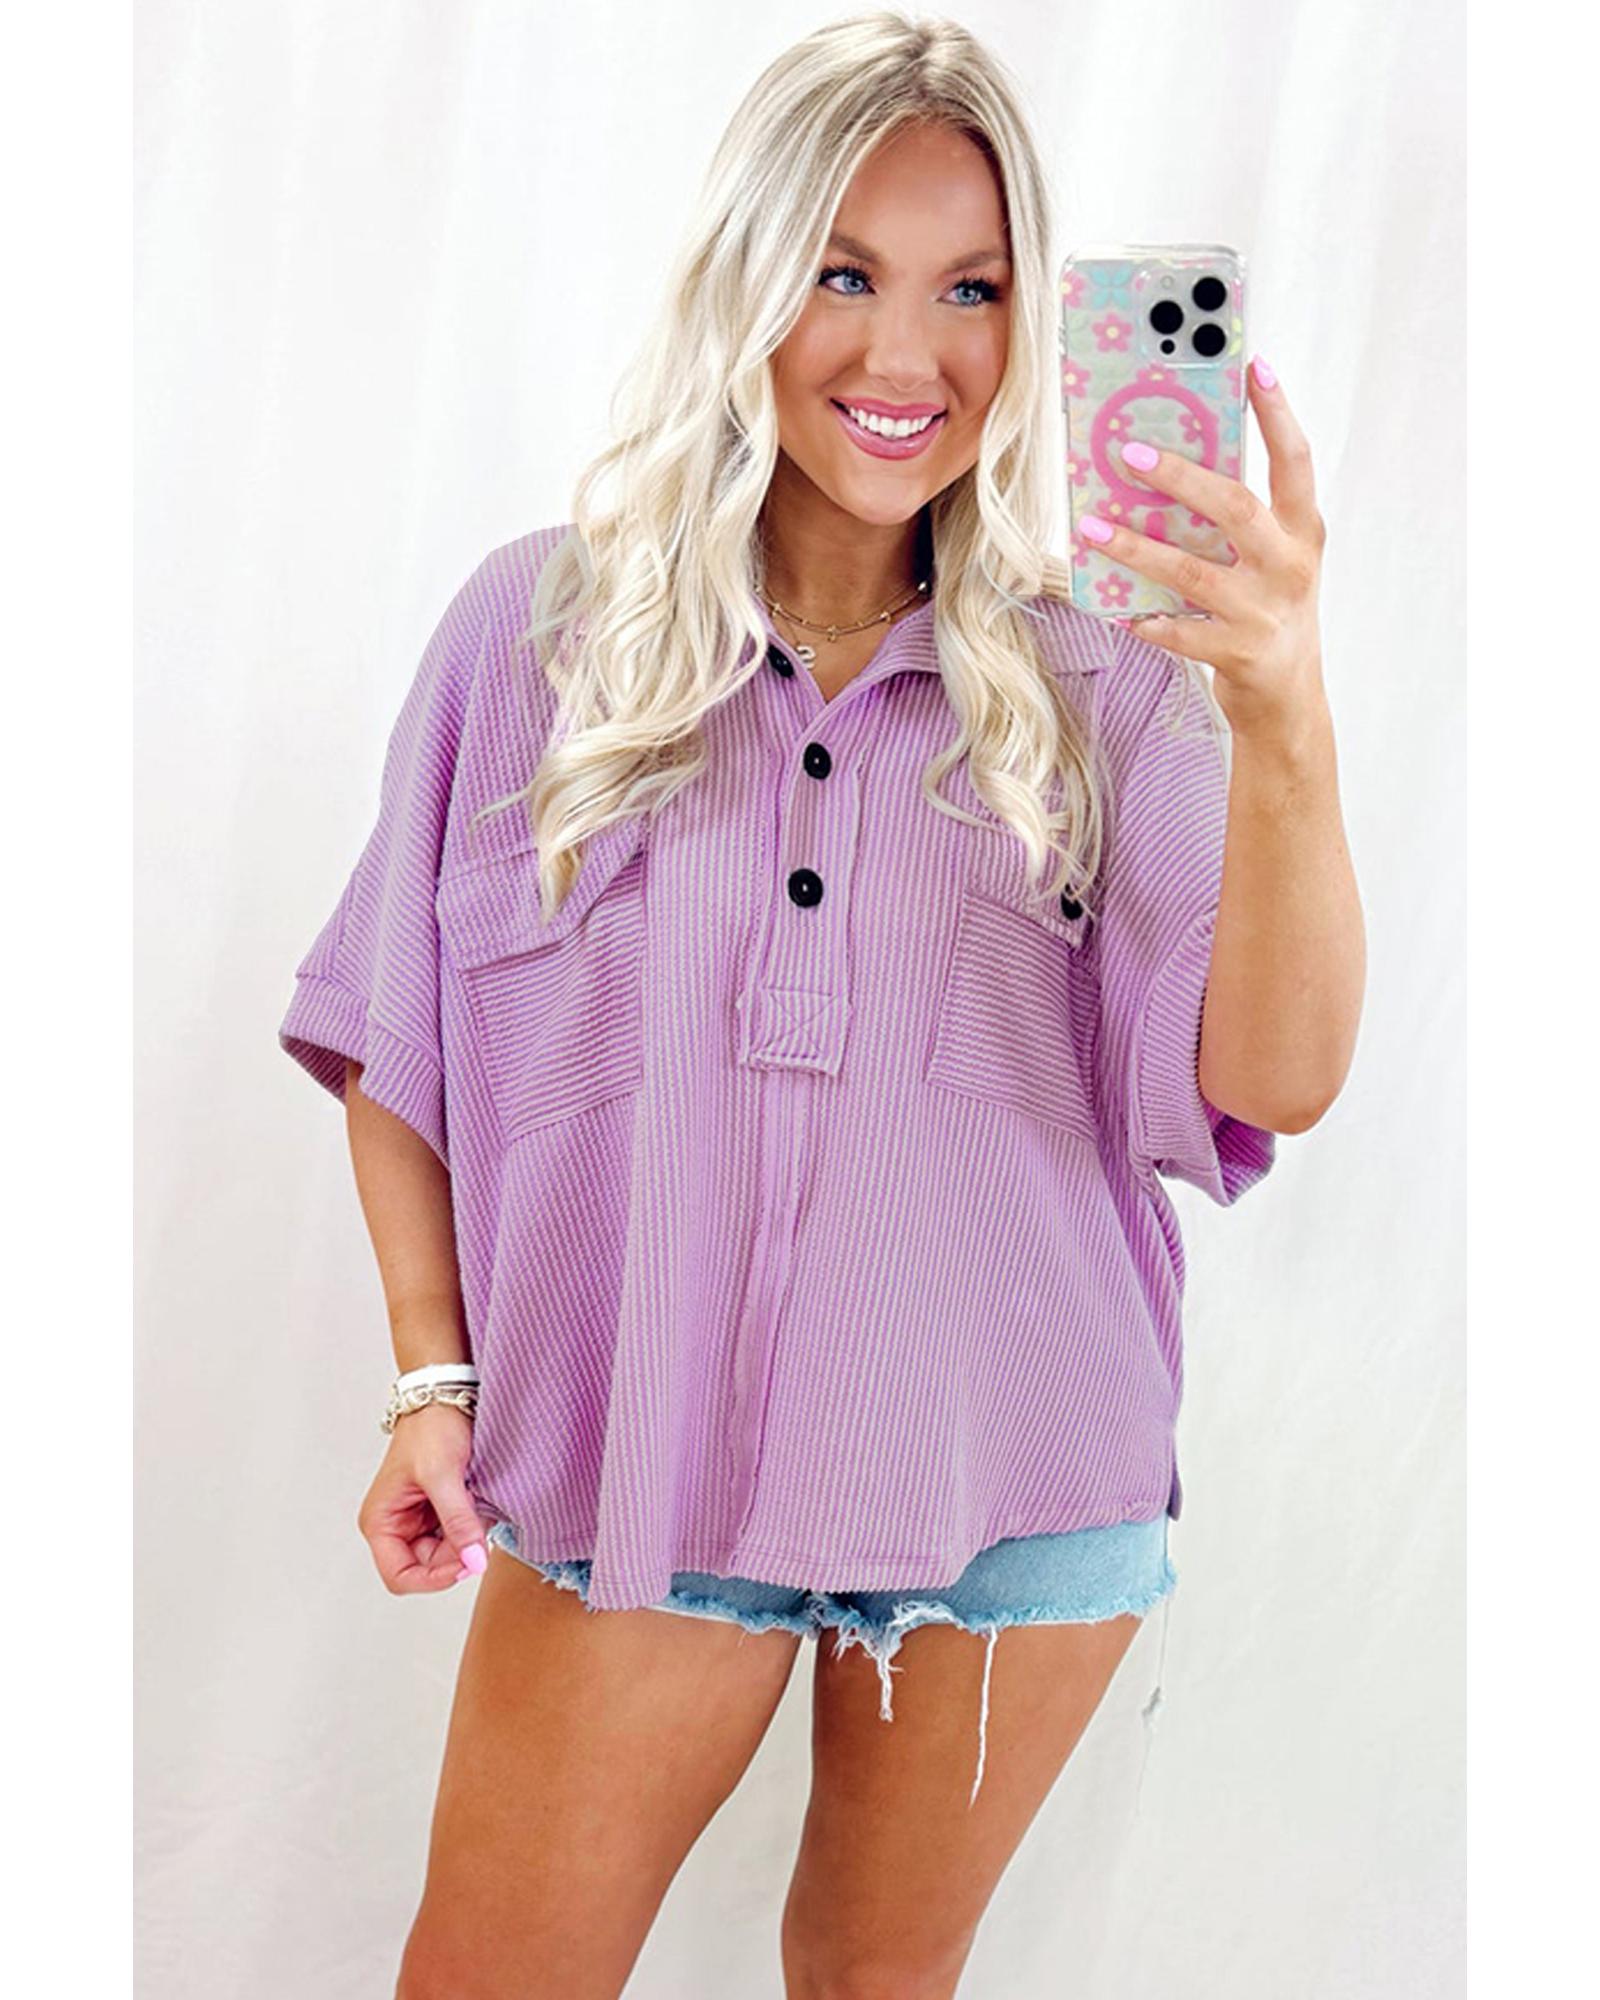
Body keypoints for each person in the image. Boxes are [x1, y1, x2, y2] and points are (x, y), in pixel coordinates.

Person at [276, 13, 1362, 1997]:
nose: (904, 353)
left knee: (873, 1984)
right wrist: (432, 1382)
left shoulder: (1110, 683)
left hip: (1011, 1489)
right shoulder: (542, 632)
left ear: (1032, 323)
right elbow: (396, 1033)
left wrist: (1279, 712)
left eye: (971, 290)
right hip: (637, 1473)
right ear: (746, 281)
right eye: (844, 274)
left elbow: (1274, 1079)